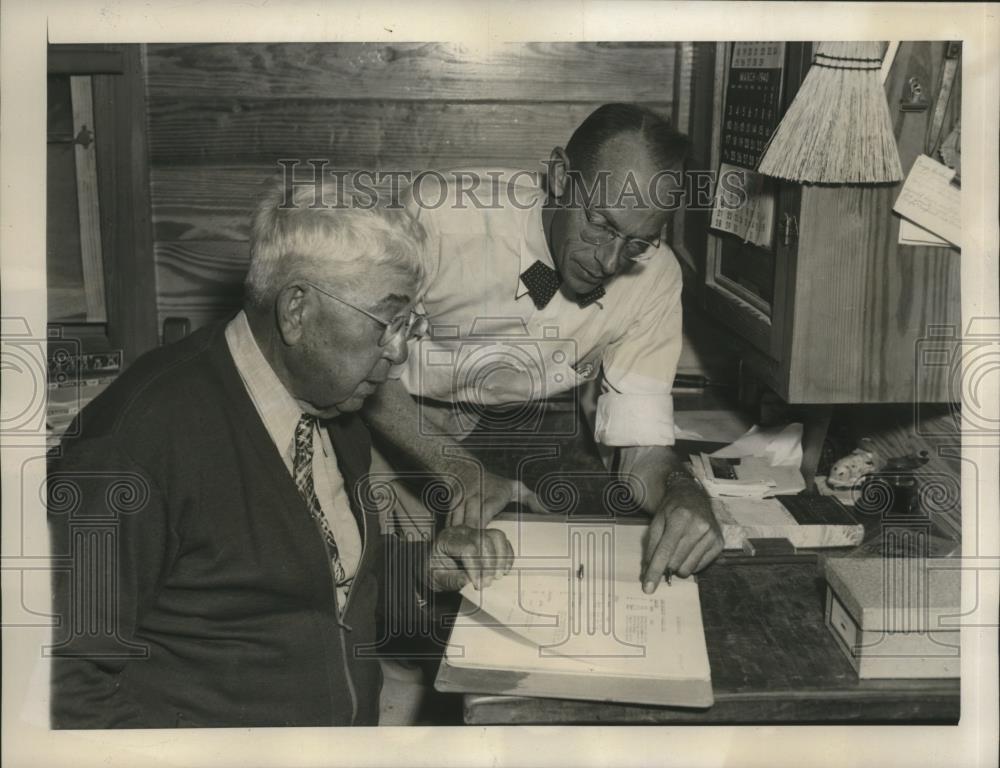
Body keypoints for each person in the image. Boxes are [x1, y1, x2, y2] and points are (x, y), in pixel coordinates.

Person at [47, 179, 512, 728]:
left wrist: (422, 573)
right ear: (296, 310)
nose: (400, 351)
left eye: (409, 324)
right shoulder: (133, 446)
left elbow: (318, 582)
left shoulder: (334, 405)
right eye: (387, 323)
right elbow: (65, 691)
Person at [364, 103, 723, 592]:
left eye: (638, 242)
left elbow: (641, 451)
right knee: (393, 580)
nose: (610, 261)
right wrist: (456, 467)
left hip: (525, 414)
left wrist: (683, 490)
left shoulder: (655, 277)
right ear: (559, 176)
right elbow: (362, 365)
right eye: (600, 224)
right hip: (398, 405)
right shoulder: (442, 219)